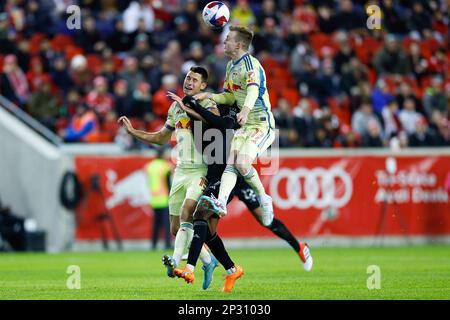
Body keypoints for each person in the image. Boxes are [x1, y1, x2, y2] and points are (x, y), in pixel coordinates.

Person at [167, 93, 312, 292]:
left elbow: (221, 124)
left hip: (235, 177)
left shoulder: (231, 113)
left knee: (264, 220)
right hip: (221, 177)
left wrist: (192, 109)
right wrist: (191, 111)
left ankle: (299, 248)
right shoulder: (206, 116)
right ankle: (230, 269)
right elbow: (206, 126)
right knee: (208, 229)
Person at [118, 66, 217, 289]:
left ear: (203, 86)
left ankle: (176, 261)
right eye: (187, 78)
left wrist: (188, 107)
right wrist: (134, 132)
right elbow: (162, 138)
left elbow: (215, 125)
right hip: (181, 171)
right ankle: (209, 261)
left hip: (201, 170)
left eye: (194, 80)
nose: (189, 82)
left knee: (187, 213)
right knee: (175, 229)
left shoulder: (209, 105)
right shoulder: (175, 108)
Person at [193, 26, 276, 229]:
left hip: (261, 124)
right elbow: (229, 96)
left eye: (228, 39)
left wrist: (246, 110)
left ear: (238, 44)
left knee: (242, 163)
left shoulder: (251, 64)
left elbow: (253, 90)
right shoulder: (231, 66)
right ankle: (221, 202)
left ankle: (264, 198)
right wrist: (209, 95)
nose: (224, 42)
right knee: (232, 162)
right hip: (244, 125)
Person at [146, 147, 172, 250]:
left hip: (154, 198)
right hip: (164, 198)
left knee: (156, 224)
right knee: (166, 223)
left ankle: (153, 244)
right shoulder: (166, 166)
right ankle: (167, 244)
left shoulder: (150, 166)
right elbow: (168, 182)